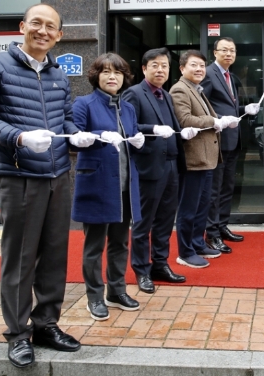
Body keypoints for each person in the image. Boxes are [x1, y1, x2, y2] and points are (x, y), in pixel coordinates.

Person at [0, 4, 95, 368]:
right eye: (36, 23)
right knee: (21, 258)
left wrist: (77, 137)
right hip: (19, 173)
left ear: (59, 36)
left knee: (55, 255)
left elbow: (67, 119)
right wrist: (19, 137)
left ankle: (46, 324)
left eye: (50, 27)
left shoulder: (57, 74)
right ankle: (18, 334)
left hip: (58, 174)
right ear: (22, 26)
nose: (42, 31)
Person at [72, 53, 145, 322]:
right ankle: (94, 296)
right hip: (97, 183)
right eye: (106, 72)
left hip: (125, 184)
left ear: (125, 77)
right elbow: (72, 138)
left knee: (120, 242)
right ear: (96, 76)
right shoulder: (84, 104)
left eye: (118, 72)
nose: (112, 77)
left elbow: (132, 139)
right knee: (94, 245)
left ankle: (117, 291)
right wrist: (95, 136)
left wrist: (139, 141)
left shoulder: (128, 108)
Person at [122, 48, 187, 293]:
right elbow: (127, 125)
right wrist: (152, 129)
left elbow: (173, 126)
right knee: (143, 222)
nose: (161, 70)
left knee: (165, 221)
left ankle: (160, 264)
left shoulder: (166, 95)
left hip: (171, 165)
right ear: (144, 68)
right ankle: (141, 270)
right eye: (155, 66)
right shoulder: (134, 93)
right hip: (148, 167)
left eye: (165, 66)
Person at [170, 50, 237, 268]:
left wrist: (224, 120)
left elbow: (209, 117)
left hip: (208, 159)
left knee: (202, 206)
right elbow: (185, 119)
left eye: (201, 65)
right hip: (193, 159)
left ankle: (198, 243)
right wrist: (213, 121)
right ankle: (185, 251)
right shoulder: (180, 89)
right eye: (194, 65)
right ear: (182, 68)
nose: (199, 69)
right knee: (189, 208)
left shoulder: (197, 90)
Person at [202, 37, 260, 254]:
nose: (228, 54)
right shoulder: (209, 74)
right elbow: (202, 106)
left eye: (232, 51)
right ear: (215, 52)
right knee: (214, 190)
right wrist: (220, 119)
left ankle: (222, 225)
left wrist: (246, 108)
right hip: (217, 140)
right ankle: (212, 234)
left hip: (233, 140)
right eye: (224, 50)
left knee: (228, 188)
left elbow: (230, 107)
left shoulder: (230, 76)